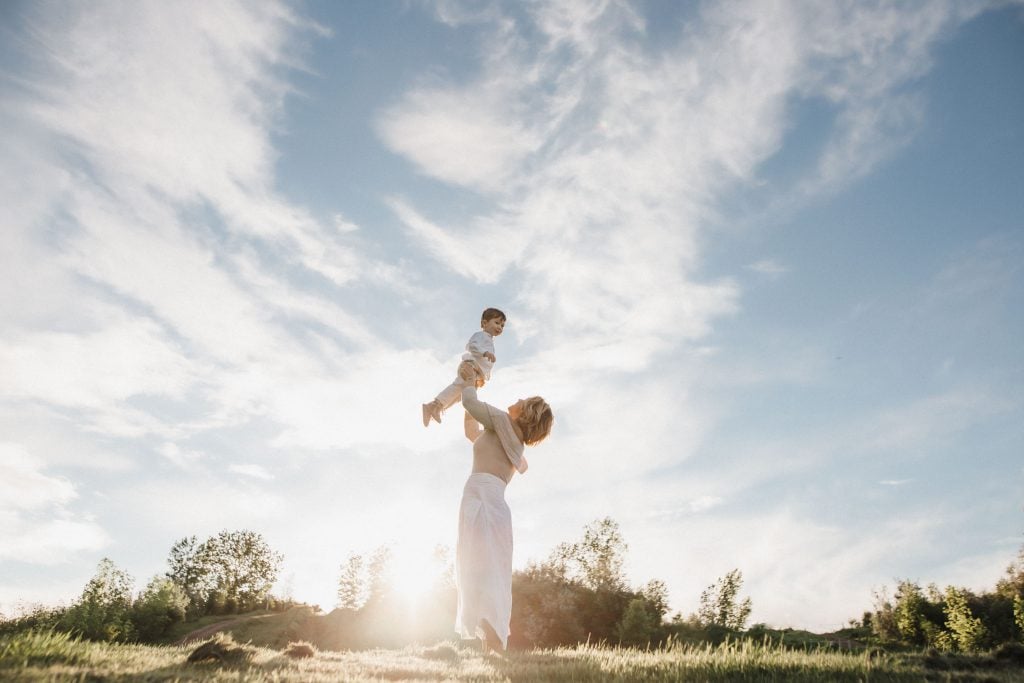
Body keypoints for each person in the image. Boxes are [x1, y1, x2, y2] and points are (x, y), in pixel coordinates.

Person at [454, 360, 554, 653]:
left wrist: (469, 379)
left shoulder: (501, 421)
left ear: (525, 413)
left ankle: (490, 636)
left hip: (481, 497)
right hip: (494, 502)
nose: (519, 398)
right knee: (490, 570)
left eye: (524, 401)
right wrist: (466, 387)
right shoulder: (513, 441)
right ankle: (492, 642)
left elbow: (472, 404)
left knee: (476, 567)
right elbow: (473, 431)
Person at [422, 307, 506, 427]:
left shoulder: (489, 340)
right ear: (484, 323)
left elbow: (485, 364)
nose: (500, 327)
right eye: (497, 323)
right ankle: (434, 405)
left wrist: (481, 377)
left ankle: (436, 408)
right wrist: (485, 353)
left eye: (502, 325)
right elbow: (472, 346)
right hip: (469, 366)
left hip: (475, 371)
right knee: (458, 388)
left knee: (461, 395)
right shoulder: (481, 335)